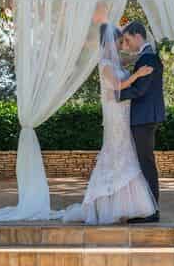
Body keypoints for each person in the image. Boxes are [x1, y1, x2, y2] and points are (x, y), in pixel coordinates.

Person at [60, 14, 158, 225]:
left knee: (128, 157)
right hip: (115, 116)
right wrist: (137, 75)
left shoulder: (116, 63)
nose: (121, 45)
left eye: (123, 41)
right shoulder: (104, 64)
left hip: (124, 115)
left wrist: (136, 69)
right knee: (115, 155)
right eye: (119, 41)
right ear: (110, 42)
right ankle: (106, 205)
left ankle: (127, 205)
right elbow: (116, 86)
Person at [116, 18, 164, 222]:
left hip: (144, 117)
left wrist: (117, 95)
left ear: (138, 36)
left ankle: (152, 211)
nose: (128, 44)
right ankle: (147, 207)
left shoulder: (147, 58)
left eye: (128, 39)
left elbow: (140, 89)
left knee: (146, 163)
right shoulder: (146, 56)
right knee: (144, 162)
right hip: (146, 116)